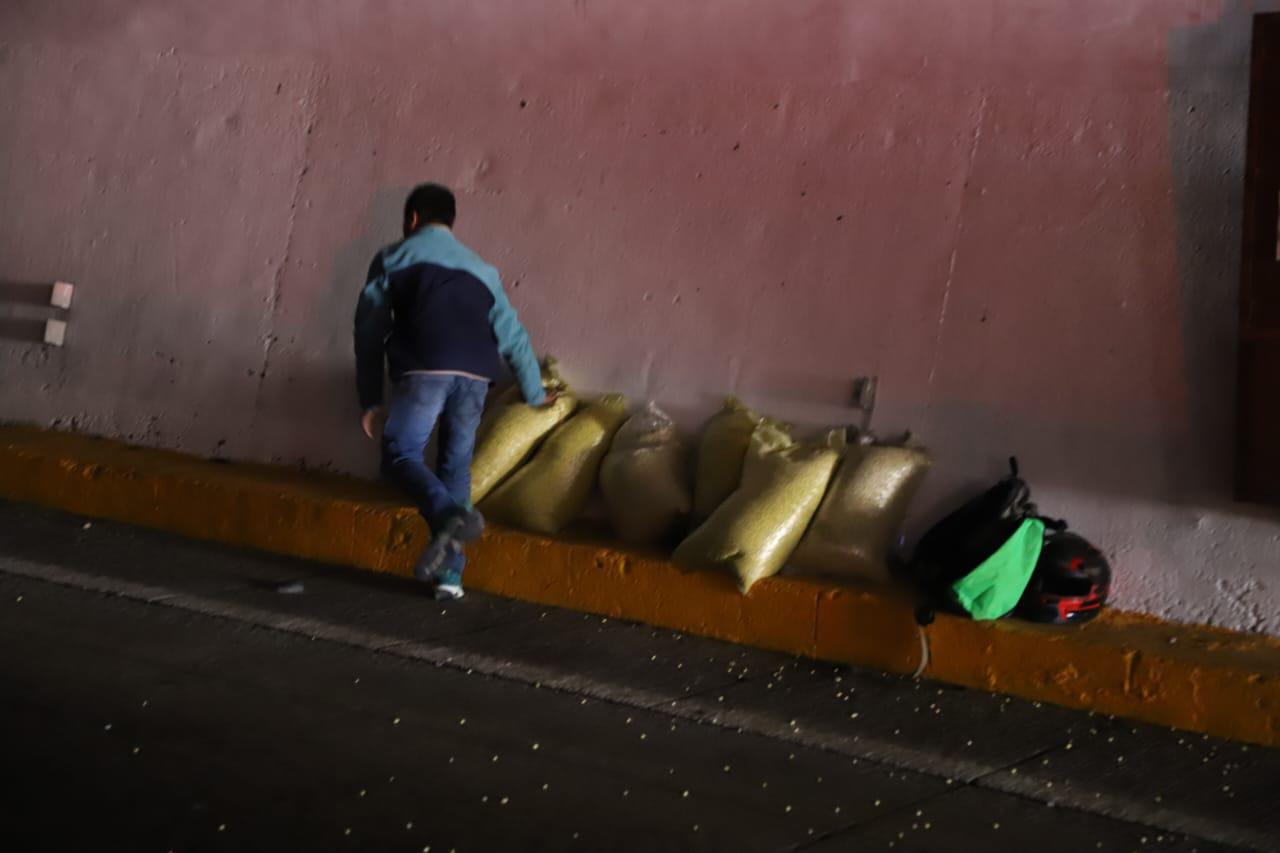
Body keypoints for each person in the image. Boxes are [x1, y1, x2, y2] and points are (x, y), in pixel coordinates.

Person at [354, 183, 548, 600]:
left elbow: (369, 330)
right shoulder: (483, 269)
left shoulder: (393, 256)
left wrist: (370, 398)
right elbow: (512, 334)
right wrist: (535, 392)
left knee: (401, 453)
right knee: (455, 467)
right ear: (450, 221)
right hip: (478, 373)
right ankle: (451, 578)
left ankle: (445, 515)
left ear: (412, 220)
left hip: (427, 366)